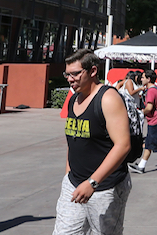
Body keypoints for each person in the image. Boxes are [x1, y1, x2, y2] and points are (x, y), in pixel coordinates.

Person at [53, 49, 133, 235]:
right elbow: (73, 140)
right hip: (74, 184)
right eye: (67, 74)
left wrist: (92, 182)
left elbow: (123, 145)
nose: (70, 79)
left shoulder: (108, 98)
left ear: (93, 71)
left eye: (75, 74)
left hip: (105, 187)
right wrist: (68, 174)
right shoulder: (74, 98)